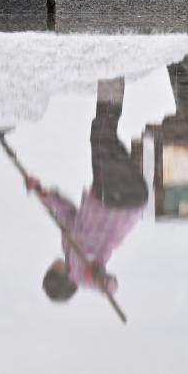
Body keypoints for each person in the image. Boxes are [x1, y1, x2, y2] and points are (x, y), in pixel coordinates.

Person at [28, 78, 149, 303]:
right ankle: (112, 78)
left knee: (104, 137)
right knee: (102, 136)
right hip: (113, 201)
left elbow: (66, 213)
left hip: (125, 198)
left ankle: (112, 80)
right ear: (60, 277)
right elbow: (111, 287)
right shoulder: (80, 274)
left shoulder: (69, 248)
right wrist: (100, 279)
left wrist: (44, 194)